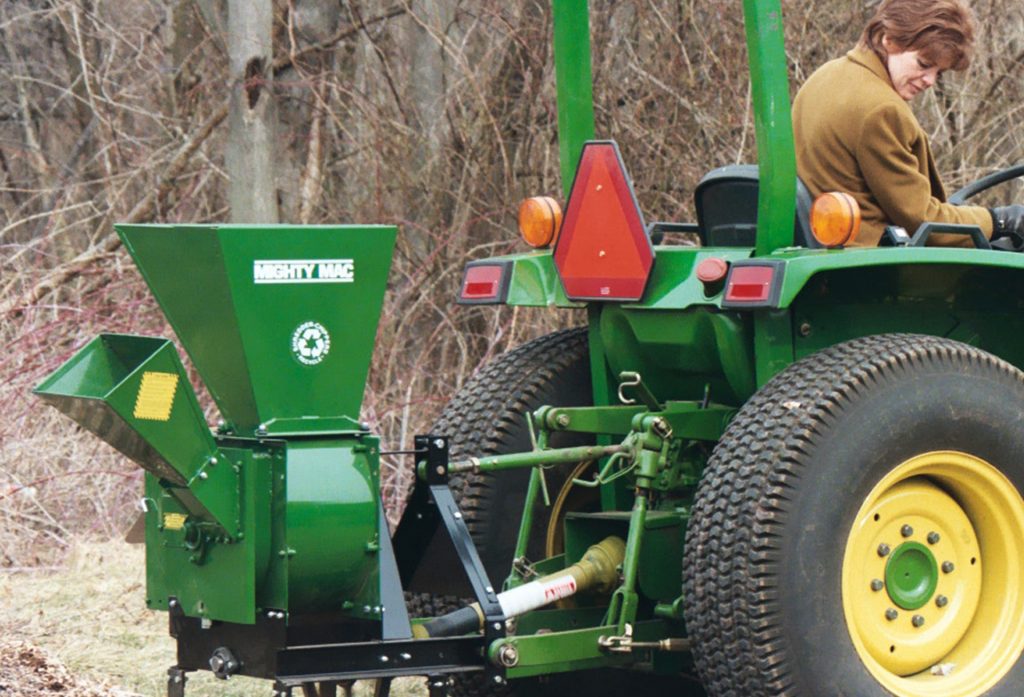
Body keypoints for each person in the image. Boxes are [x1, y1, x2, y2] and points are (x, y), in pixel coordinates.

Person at [792, 0, 1024, 247]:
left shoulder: (825, 76)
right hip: (872, 260)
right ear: (888, 39)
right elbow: (924, 220)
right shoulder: (881, 109)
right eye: (924, 64)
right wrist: (1000, 221)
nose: (930, 81)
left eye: (938, 72)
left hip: (823, 245)